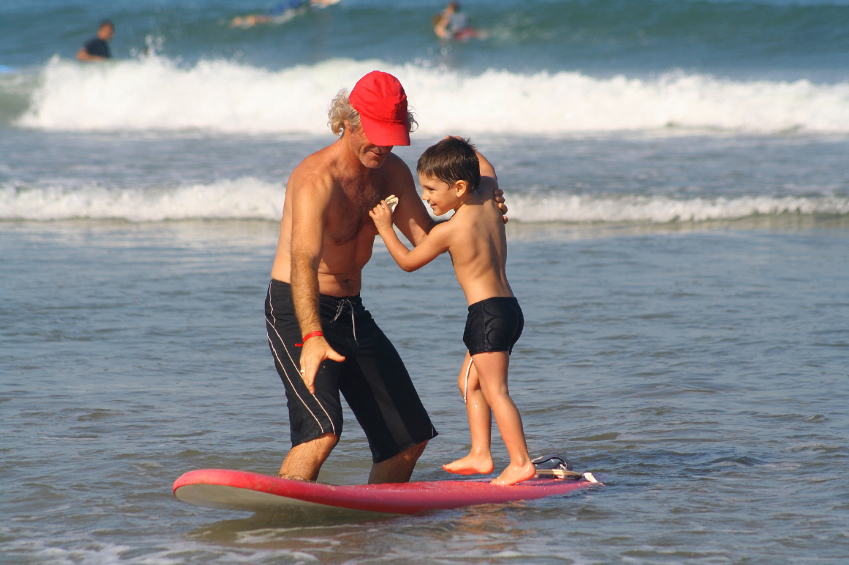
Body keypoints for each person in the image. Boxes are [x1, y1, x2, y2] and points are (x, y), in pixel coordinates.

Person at [265, 71, 509, 484]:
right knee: (321, 432)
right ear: (347, 122)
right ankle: (281, 523)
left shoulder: (391, 172)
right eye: (375, 134)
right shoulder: (314, 180)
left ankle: (377, 523)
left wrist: (479, 205)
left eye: (392, 135)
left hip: (351, 311)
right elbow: (302, 263)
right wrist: (311, 338)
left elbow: (427, 239)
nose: (383, 145)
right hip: (298, 308)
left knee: (408, 438)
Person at [369, 137, 534, 486]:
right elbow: (484, 166)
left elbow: (408, 262)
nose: (425, 197)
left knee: (495, 390)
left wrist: (385, 228)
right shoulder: (488, 194)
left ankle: (520, 461)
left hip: (486, 316)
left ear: (459, 186)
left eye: (430, 189)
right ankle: (480, 454)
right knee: (468, 383)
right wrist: (456, 143)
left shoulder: (451, 230)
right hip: (507, 310)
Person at [230, 0, 334, 27]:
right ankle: (247, 20)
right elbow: (313, 2)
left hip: (287, 4)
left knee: (268, 17)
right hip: (292, 5)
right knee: (270, 19)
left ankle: (243, 20)